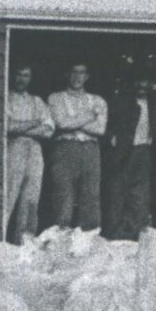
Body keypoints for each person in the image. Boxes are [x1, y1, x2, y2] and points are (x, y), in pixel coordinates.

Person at [41, 61, 108, 230]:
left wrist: (75, 121)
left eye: (81, 73)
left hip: (90, 149)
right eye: (73, 72)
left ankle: (87, 242)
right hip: (65, 148)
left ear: (87, 77)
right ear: (67, 75)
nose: (77, 77)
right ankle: (61, 242)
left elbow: (100, 129)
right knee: (63, 196)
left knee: (90, 196)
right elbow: (62, 123)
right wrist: (89, 116)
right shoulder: (55, 98)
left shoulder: (98, 100)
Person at [105, 72, 156, 240]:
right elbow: (107, 124)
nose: (142, 85)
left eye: (146, 81)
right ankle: (114, 240)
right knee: (117, 197)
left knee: (140, 200)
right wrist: (112, 139)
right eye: (138, 80)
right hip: (122, 153)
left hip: (144, 153)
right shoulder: (121, 102)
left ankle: (132, 239)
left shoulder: (155, 104)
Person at [4, 63, 55, 240]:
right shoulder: (6, 98)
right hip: (14, 146)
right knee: (10, 191)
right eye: (18, 74)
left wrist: (22, 127)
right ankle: (1, 236)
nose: (21, 79)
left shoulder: (37, 101)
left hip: (34, 147)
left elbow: (48, 129)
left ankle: (24, 240)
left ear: (30, 78)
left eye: (25, 75)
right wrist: (34, 123)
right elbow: (8, 126)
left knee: (31, 195)